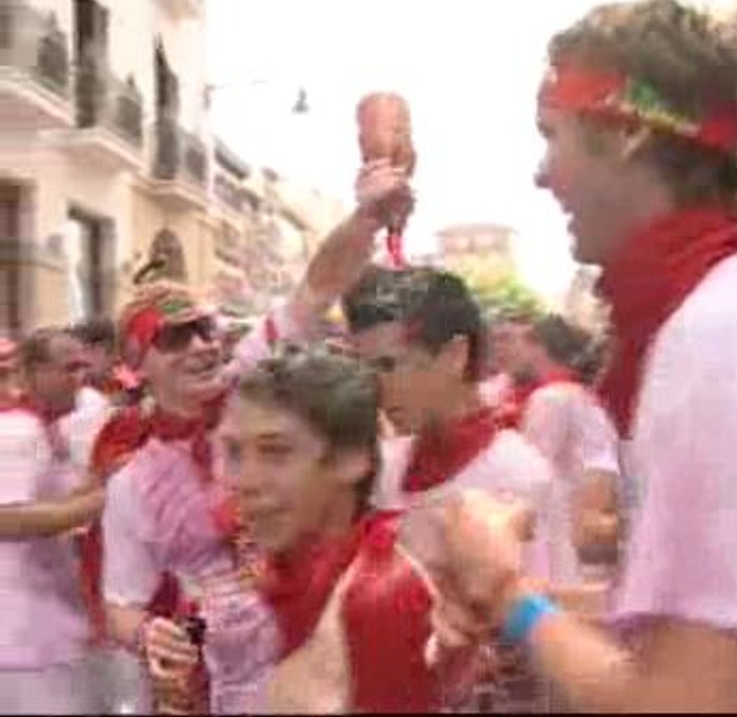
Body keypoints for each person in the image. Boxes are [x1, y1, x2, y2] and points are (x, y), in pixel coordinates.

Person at [430, 0, 737, 711]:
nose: (540, 174)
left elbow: (683, 700)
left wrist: (509, 592)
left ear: (623, 135)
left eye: (551, 134)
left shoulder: (718, 345)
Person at [96, 159, 413, 713]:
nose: (200, 347)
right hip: (230, 688)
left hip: (336, 646)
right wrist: (149, 635)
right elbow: (120, 602)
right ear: (137, 364)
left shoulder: (251, 381)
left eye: (204, 329)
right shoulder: (133, 480)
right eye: (174, 339)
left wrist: (364, 218)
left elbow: (317, 287)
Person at [342, 266, 556, 711]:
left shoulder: (520, 476)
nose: (374, 387)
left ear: (456, 354)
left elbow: (558, 639)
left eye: (388, 364)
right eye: (363, 367)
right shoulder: (385, 468)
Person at [218, 346, 474, 712]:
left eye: (275, 452)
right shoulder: (267, 567)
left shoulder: (381, 593)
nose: (243, 480)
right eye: (233, 452)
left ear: (350, 460)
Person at [0, 328, 105, 714]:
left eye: (83, 366)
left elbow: (63, 501)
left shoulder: (46, 427)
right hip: (19, 636)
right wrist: (103, 499)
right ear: (31, 372)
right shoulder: (14, 432)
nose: (81, 377)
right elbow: (8, 520)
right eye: (68, 368)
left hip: (46, 627)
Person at [512, 314, 621, 589]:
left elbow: (527, 473)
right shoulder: (585, 398)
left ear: (538, 347)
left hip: (561, 539)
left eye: (519, 343)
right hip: (586, 546)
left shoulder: (552, 398)